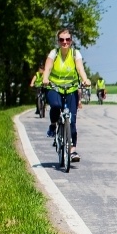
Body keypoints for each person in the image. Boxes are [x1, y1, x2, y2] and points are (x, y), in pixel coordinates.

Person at [41, 28, 91, 162]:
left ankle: (72, 150)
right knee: (56, 105)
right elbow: (48, 68)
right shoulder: (54, 53)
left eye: (67, 39)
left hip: (71, 89)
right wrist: (45, 78)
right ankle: (53, 125)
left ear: (71, 41)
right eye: (62, 39)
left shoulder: (75, 53)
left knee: (72, 121)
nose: (65, 42)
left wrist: (85, 79)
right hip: (54, 87)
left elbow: (80, 68)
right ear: (58, 41)